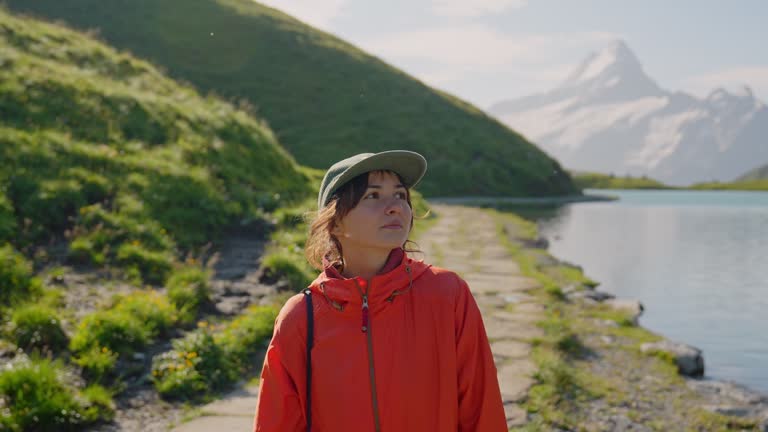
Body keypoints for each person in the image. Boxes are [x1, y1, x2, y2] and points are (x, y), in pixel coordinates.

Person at [252, 150, 507, 431]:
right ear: (335, 223)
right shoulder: (302, 317)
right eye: (373, 196)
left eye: (400, 195)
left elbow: (481, 410)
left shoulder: (447, 295)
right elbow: (277, 422)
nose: (395, 207)